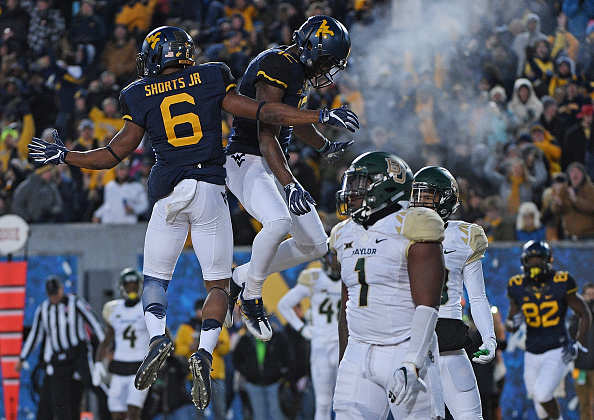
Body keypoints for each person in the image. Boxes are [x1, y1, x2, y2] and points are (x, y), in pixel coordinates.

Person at [28, 25, 358, 411]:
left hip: (170, 193)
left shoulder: (138, 93)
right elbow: (264, 114)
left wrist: (64, 155)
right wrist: (320, 116)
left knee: (156, 279)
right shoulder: (214, 76)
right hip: (215, 186)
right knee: (218, 286)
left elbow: (113, 154)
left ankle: (157, 338)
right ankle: (209, 344)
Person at [225, 15, 355, 342]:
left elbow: (293, 122)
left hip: (271, 161)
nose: (328, 69)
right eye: (327, 60)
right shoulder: (278, 64)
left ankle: (239, 279)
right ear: (311, 47)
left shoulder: (295, 69)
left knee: (314, 243)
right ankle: (252, 296)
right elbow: (267, 129)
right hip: (246, 158)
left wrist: (324, 146)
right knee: (280, 222)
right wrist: (289, 182)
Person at [330, 151, 446, 419]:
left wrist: (412, 362)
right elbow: (348, 306)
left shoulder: (413, 224)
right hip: (359, 350)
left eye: (360, 184)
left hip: (404, 347)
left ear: (386, 185)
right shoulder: (344, 232)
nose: (351, 193)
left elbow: (428, 306)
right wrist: (346, 360)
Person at [410, 166, 497, 420]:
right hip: (411, 342)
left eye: (428, 197)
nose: (420, 203)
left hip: (448, 340)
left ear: (446, 199)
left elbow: (477, 296)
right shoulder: (399, 231)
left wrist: (489, 338)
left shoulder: (464, 236)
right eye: (418, 195)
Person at [505, 240, 592, 420]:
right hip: (531, 353)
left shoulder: (561, 281)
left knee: (543, 394)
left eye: (538, 259)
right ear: (524, 262)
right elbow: (509, 323)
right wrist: (513, 324)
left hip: (557, 349)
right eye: (531, 260)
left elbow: (585, 313)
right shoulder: (517, 285)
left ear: (548, 260)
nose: (535, 264)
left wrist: (577, 343)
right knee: (538, 403)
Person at [15, 276, 106, 420]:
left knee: (91, 382)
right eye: (51, 294)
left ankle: (111, 409)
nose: (54, 297)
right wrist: (22, 358)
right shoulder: (43, 309)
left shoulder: (75, 303)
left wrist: (106, 347)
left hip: (78, 352)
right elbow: (35, 335)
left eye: (56, 293)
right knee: (60, 400)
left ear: (61, 289)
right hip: (59, 358)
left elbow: (94, 324)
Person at [277, 247, 341, 420]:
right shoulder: (314, 278)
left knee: (346, 402)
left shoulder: (350, 277)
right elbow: (283, 305)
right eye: (333, 257)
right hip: (321, 344)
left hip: (343, 346)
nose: (336, 262)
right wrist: (302, 328)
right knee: (323, 401)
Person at [93, 268, 150, 420]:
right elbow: (107, 340)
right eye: (128, 285)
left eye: (134, 285)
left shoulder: (147, 309)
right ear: (122, 287)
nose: (131, 288)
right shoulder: (114, 309)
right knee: (117, 414)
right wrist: (98, 363)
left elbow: (163, 336)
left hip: (140, 368)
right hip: (119, 368)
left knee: (133, 411)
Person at [174, 298, 230, 420]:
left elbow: (226, 348)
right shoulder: (186, 328)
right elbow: (178, 350)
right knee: (198, 413)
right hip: (195, 375)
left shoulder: (217, 325)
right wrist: (190, 347)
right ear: (195, 311)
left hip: (215, 375)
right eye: (200, 310)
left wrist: (216, 344)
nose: (202, 313)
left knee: (220, 410)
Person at [569, 283, 594, 420]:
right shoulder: (576, 318)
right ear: (583, 296)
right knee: (584, 404)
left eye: (593, 294)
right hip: (580, 368)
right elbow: (570, 339)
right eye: (588, 294)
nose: (591, 298)